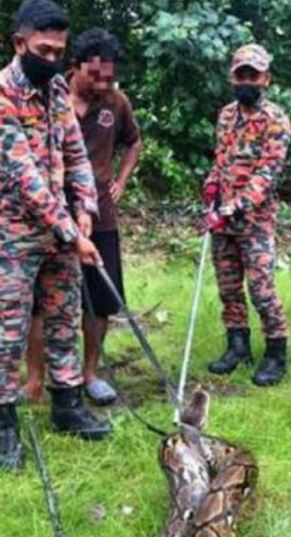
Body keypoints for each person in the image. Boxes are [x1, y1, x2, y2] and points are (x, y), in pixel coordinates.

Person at [0, 0, 111, 471]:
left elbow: (76, 154)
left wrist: (85, 211)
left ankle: (67, 406)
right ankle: (4, 423)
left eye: (57, 51)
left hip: (61, 234)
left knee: (64, 317)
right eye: (43, 50)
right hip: (12, 236)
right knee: (7, 330)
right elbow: (24, 178)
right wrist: (71, 232)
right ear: (19, 43)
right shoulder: (2, 95)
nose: (50, 59)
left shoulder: (58, 89)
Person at [23, 28, 142, 406]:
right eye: (95, 76)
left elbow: (134, 141)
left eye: (109, 77)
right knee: (39, 301)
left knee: (101, 298)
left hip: (98, 215)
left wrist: (120, 180)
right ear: (74, 67)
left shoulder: (116, 103)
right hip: (48, 212)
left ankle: (89, 373)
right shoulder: (48, 96)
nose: (103, 84)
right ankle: (35, 378)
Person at [203, 44, 291, 387]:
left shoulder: (275, 120)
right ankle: (237, 346)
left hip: (255, 221)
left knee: (261, 289)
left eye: (253, 76)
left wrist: (236, 205)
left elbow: (268, 173)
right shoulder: (226, 116)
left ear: (266, 79)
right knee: (228, 288)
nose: (246, 81)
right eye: (241, 75)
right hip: (222, 221)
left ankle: (275, 352)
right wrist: (212, 187)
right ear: (232, 78)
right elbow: (220, 160)